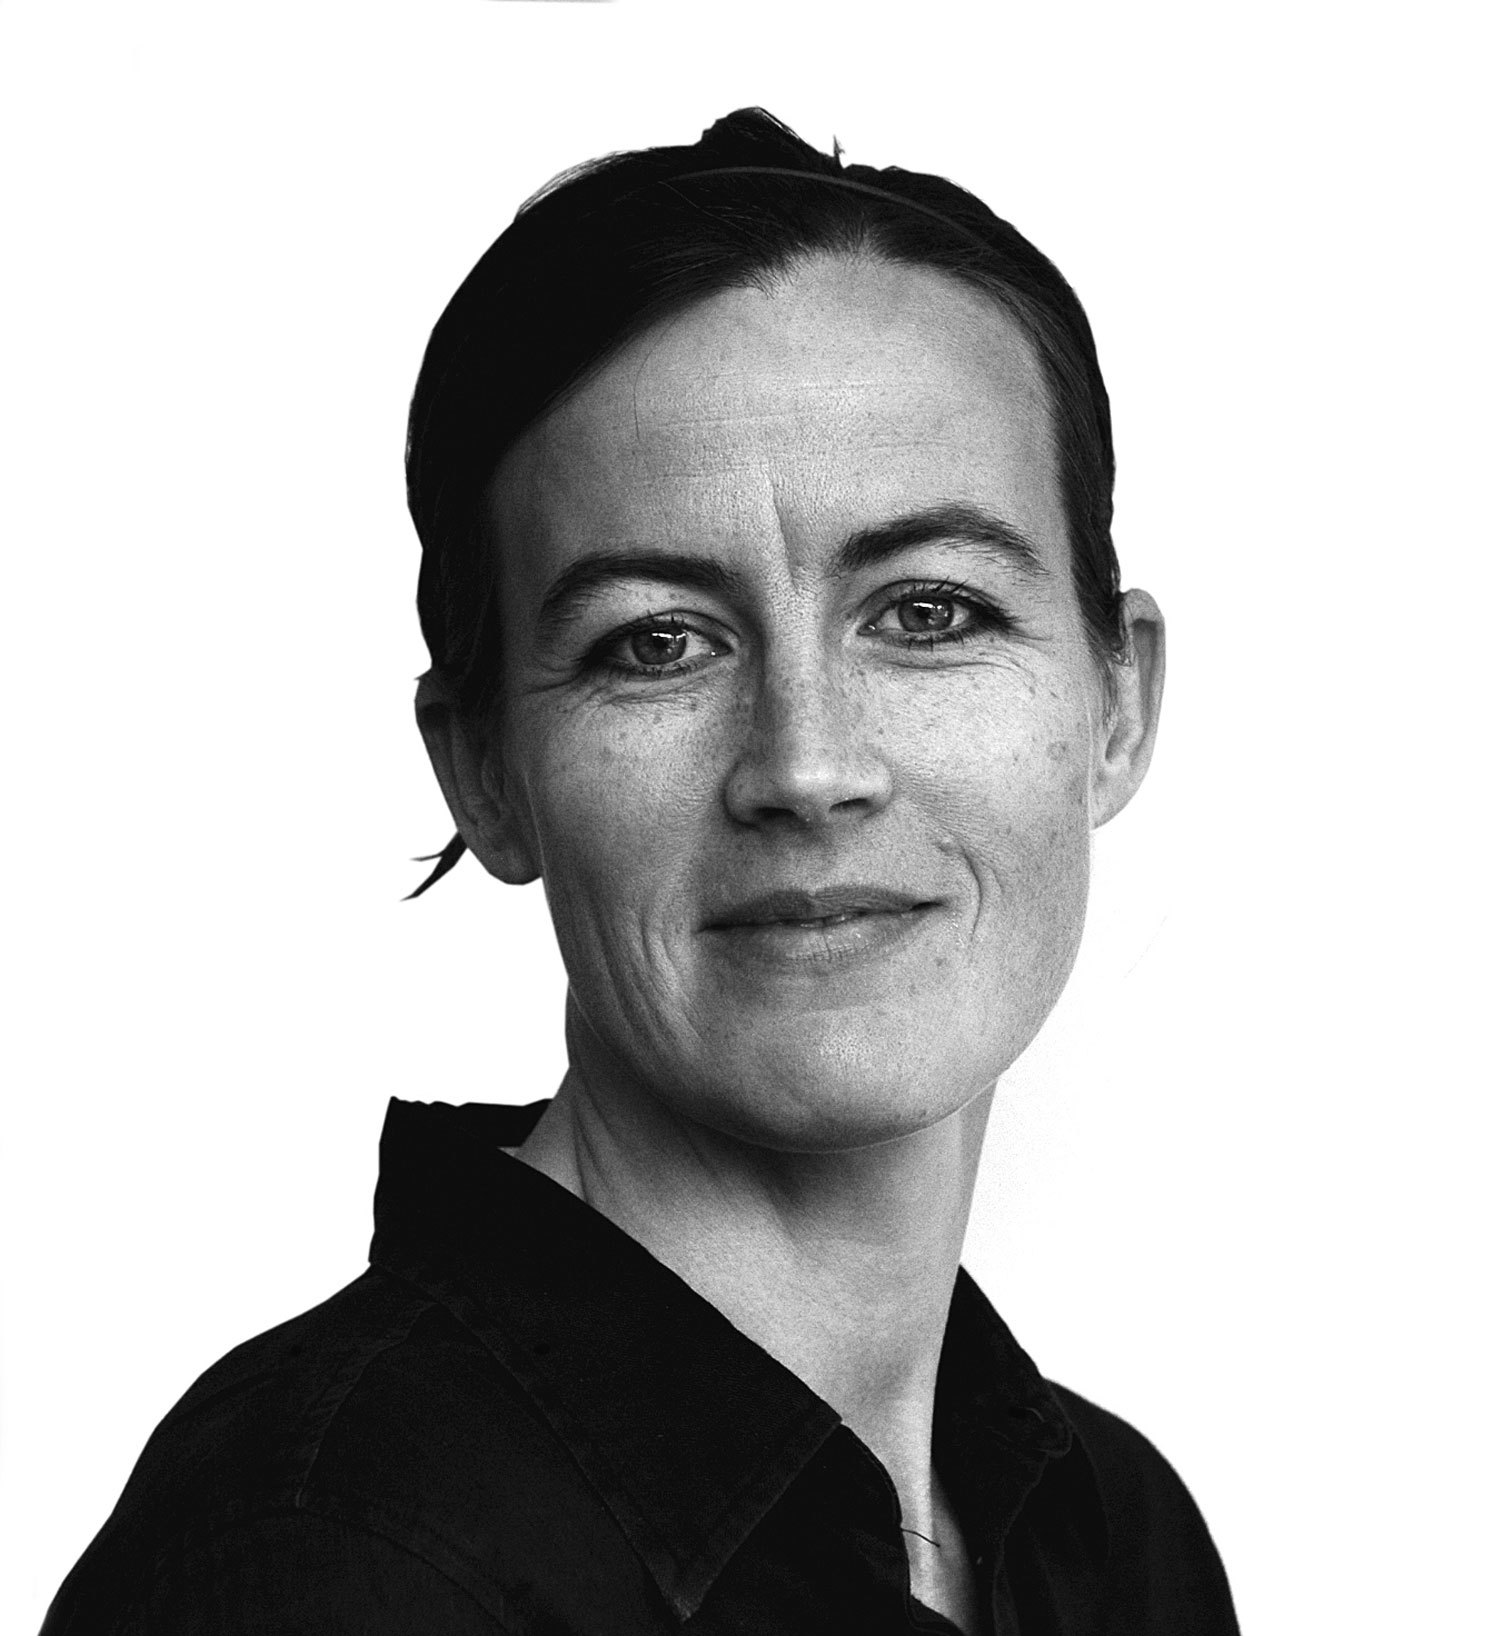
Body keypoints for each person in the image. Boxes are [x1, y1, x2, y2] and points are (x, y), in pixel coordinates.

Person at [43, 108, 1239, 1635]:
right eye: (657, 643)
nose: (808, 764)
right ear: (485, 770)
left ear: (1118, 704)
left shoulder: (1119, 1539)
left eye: (930, 612)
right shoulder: (328, 1563)